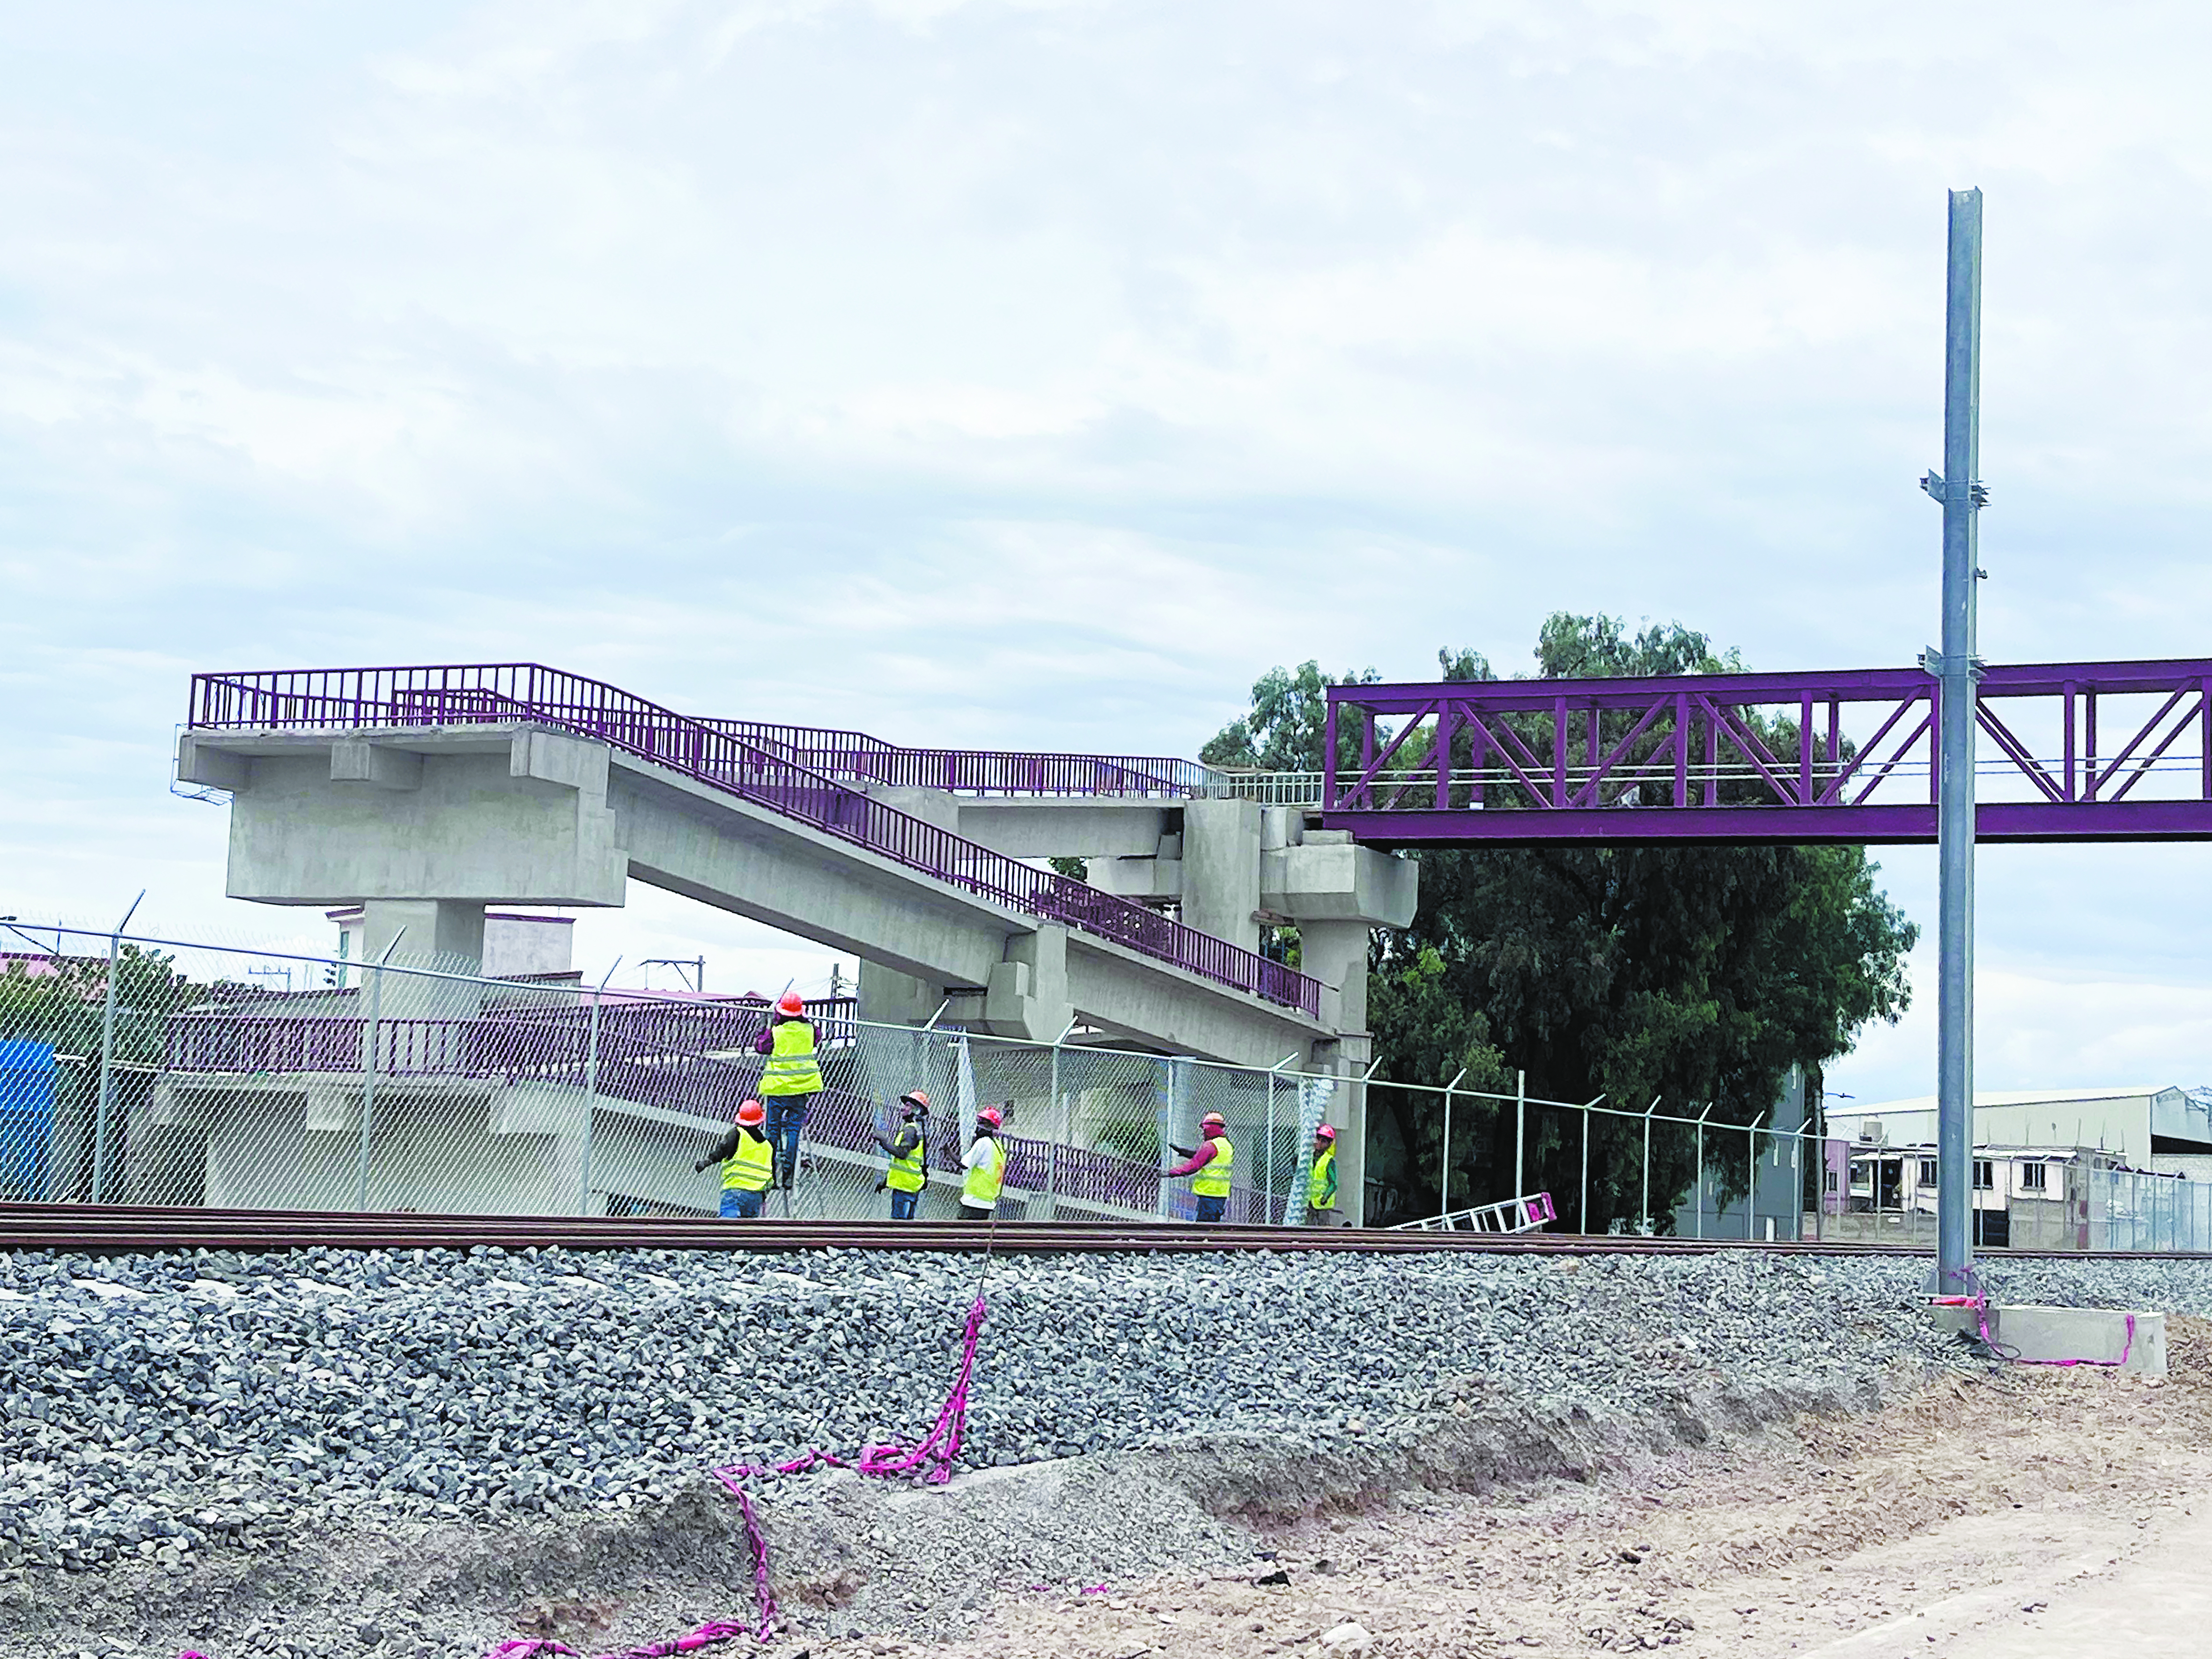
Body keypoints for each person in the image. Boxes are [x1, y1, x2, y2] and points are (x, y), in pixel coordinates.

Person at [752, 991, 822, 1190]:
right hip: (802, 1089)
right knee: (793, 1131)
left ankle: (772, 1174)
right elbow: (817, 1037)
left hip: (778, 1088)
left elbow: (761, 1046)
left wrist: (768, 1027)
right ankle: (789, 1175)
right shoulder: (811, 1031)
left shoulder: (776, 1032)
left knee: (772, 1132)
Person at [696, 1099, 775, 1219]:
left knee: (727, 1230)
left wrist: (707, 1162)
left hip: (735, 1191)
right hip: (756, 1196)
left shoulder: (737, 1134)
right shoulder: (768, 1146)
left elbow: (722, 1151)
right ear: (759, 1122)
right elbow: (772, 1177)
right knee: (747, 1232)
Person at [1165, 1110, 1235, 1223]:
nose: (1203, 1132)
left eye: (1204, 1129)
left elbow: (1195, 1165)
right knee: (1213, 1228)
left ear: (1210, 1128)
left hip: (1208, 1194)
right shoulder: (1226, 1145)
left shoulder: (1210, 1145)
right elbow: (1207, 1158)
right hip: (1220, 1195)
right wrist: (1185, 1152)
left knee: (1203, 1229)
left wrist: (1173, 1172)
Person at [876, 1089, 930, 1220]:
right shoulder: (919, 1129)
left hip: (904, 1187)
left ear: (917, 1110)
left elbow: (902, 1154)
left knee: (898, 1227)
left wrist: (884, 1141)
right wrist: (886, 1182)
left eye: (907, 1106)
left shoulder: (910, 1130)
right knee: (908, 1228)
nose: (903, 1109)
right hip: (912, 1185)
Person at [959, 1106, 1006, 1222]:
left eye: (983, 1124)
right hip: (987, 1202)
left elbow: (964, 1164)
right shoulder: (998, 1146)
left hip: (973, 1200)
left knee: (962, 1235)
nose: (979, 1127)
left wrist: (948, 1152)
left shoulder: (983, 1142)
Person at [1305, 1123, 1340, 1225]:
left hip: (1322, 1204)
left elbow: (1333, 1184)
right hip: (1310, 1202)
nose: (1320, 1143)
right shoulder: (1310, 1157)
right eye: (1318, 1139)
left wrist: (1325, 1197)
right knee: (1308, 1229)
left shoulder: (1328, 1161)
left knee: (1323, 1229)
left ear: (1329, 1144)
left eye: (1324, 1141)